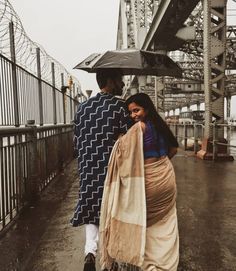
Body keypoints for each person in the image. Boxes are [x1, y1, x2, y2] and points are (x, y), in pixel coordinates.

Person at [99, 93, 179, 271]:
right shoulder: (160, 126)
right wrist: (160, 165)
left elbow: (123, 156)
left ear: (147, 108)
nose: (133, 115)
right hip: (167, 180)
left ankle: (150, 266)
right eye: (131, 112)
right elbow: (173, 148)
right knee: (164, 224)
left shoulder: (138, 129)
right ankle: (165, 264)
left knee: (146, 225)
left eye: (137, 110)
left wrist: (121, 138)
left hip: (150, 184)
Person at [71, 69, 131, 271]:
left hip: (88, 167)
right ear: (111, 81)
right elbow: (126, 142)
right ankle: (109, 260)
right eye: (120, 80)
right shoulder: (120, 107)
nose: (123, 85)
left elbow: (76, 140)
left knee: (91, 210)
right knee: (110, 210)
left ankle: (90, 252)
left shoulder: (82, 108)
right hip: (111, 168)